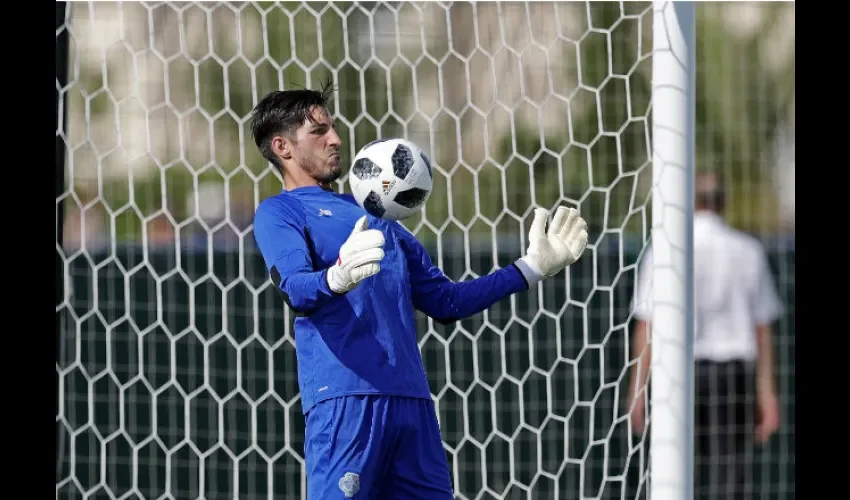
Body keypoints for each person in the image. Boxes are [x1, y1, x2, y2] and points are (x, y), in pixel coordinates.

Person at [249, 82, 589, 500]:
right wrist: (336, 277)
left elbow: (446, 302)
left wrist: (531, 267)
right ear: (282, 147)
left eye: (333, 128)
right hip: (346, 401)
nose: (336, 139)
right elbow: (296, 288)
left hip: (412, 404)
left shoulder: (376, 214)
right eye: (319, 132)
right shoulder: (279, 212)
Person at [626, 172, 782, 500]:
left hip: (680, 375)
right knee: (732, 471)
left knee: (675, 470)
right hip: (733, 374)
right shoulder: (748, 250)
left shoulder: (665, 250)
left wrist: (637, 390)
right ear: (723, 203)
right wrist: (766, 392)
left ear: (688, 203)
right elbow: (762, 330)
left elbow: (647, 326)